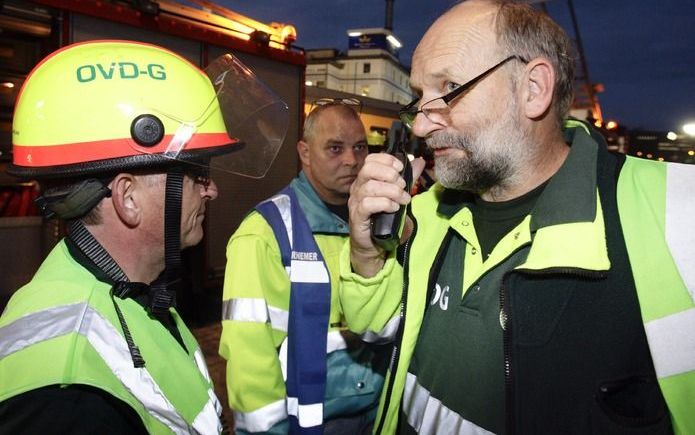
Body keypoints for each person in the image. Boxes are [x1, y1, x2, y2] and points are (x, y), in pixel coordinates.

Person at [341, 1, 695, 434]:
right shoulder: (426, 212)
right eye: (419, 98)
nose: (418, 126)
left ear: (533, 89)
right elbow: (375, 332)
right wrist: (366, 254)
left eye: (449, 86)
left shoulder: (678, 209)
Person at [0, 40, 287, 434]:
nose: (211, 190)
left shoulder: (135, 291)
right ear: (128, 197)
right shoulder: (68, 400)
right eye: (196, 174)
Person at [220, 99, 388, 434]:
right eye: (335, 148)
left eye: (359, 147)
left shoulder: (382, 223)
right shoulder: (264, 233)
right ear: (305, 152)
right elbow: (249, 359)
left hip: (378, 416)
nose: (352, 160)